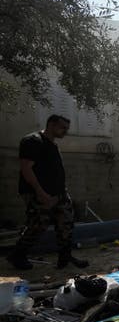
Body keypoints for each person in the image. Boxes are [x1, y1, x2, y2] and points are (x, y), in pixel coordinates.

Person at [6, 115, 89, 270]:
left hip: (59, 194)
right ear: (51, 124)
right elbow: (26, 168)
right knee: (38, 225)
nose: (65, 131)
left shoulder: (52, 145)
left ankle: (65, 257)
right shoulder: (33, 140)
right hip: (38, 193)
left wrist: (62, 192)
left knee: (66, 223)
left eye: (67, 128)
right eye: (62, 127)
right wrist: (40, 193)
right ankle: (17, 255)